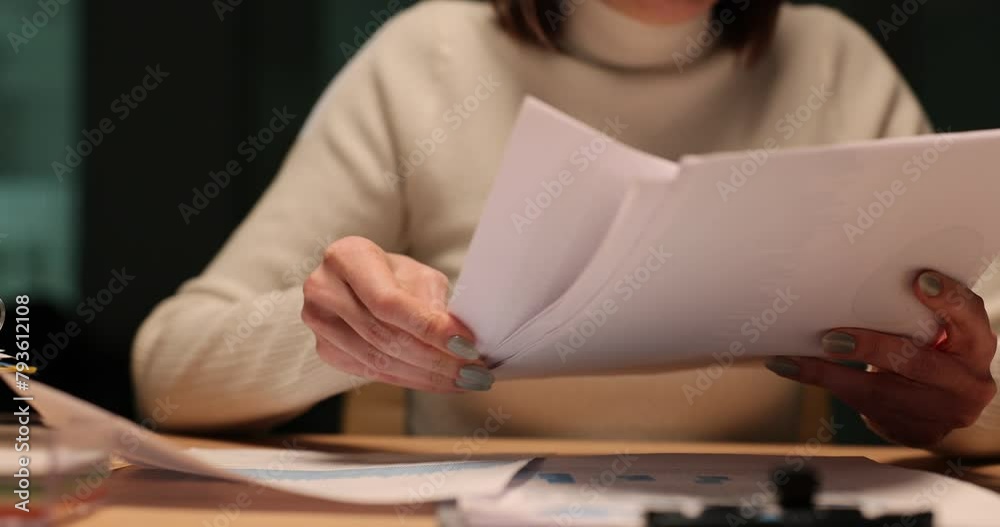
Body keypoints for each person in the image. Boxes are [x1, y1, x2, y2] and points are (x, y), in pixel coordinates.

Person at [133, 0, 1000, 453]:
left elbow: (980, 359)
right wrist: (335, 334)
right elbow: (169, 375)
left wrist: (957, 402)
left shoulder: (836, 63)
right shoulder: (425, 59)